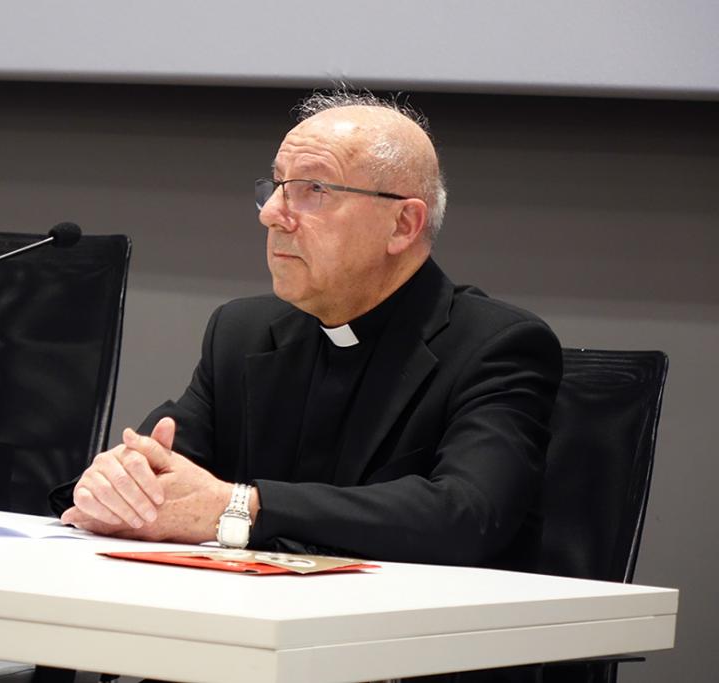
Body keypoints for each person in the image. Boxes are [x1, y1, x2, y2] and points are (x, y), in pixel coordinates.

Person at [51, 91, 561, 575]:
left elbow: (466, 515)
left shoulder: (496, 346)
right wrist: (117, 484)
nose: (272, 214)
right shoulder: (242, 334)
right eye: (276, 185)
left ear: (403, 225)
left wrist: (240, 507)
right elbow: (162, 474)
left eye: (314, 189)